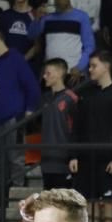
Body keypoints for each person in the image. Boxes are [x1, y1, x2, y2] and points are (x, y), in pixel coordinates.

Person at [0, 26, 40, 196]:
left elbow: (32, 86)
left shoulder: (16, 59)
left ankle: (17, 195)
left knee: (15, 157)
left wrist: (29, 110)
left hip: (13, 117)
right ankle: (2, 194)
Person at [70, 52, 112, 201]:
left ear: (106, 66)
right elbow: (77, 126)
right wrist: (73, 155)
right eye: (89, 66)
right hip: (85, 158)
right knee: (86, 201)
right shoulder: (85, 94)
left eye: (94, 66)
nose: (90, 69)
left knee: (108, 201)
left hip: (106, 159)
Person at [30, 0, 96, 77]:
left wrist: (80, 67)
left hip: (73, 73)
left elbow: (89, 46)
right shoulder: (47, 18)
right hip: (51, 73)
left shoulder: (82, 17)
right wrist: (37, 19)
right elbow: (31, 35)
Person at [39, 59, 78, 189]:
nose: (44, 76)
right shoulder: (45, 98)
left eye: (48, 73)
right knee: (49, 199)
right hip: (46, 160)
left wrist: (74, 156)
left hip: (63, 160)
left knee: (63, 199)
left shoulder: (71, 98)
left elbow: (77, 129)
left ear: (60, 73)